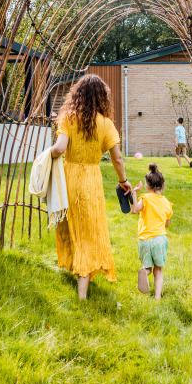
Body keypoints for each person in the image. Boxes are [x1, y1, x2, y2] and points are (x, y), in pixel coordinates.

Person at [50, 74, 132, 300]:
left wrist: (47, 155)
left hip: (68, 179)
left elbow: (59, 148)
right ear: (101, 97)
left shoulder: (68, 117)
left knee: (70, 226)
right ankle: (82, 293)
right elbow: (117, 159)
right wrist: (123, 180)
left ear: (77, 95)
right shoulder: (106, 124)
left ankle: (75, 268)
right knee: (88, 231)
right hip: (91, 181)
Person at [130, 163, 173, 300]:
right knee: (158, 269)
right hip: (159, 240)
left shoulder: (146, 198)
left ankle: (145, 271)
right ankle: (157, 297)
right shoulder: (167, 204)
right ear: (163, 186)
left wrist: (134, 193)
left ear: (147, 187)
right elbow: (167, 223)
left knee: (148, 266)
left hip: (145, 240)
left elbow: (134, 210)